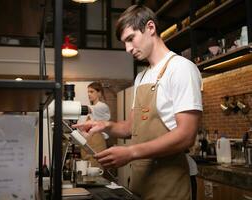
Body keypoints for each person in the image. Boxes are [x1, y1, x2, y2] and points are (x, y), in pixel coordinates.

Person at [73, 4, 202, 200]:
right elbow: (129, 127)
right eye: (124, 43)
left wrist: (131, 152)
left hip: (171, 182)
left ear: (150, 28)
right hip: (142, 182)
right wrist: (104, 125)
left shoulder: (181, 68)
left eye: (130, 39)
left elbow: (186, 136)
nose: (128, 49)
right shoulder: (141, 77)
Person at [80, 82, 111, 168]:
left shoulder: (102, 106)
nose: (89, 94)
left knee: (96, 170)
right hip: (88, 142)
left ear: (99, 93)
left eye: (92, 91)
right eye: (88, 92)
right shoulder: (92, 107)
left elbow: (88, 109)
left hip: (97, 142)